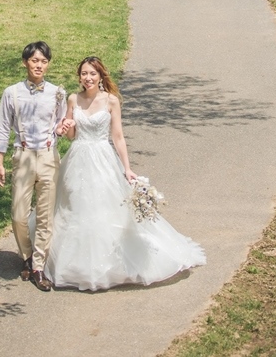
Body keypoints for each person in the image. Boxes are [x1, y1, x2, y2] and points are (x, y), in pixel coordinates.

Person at [45, 56, 206, 291]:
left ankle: (107, 265)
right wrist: (64, 128)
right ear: (79, 76)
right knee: (75, 206)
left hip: (102, 157)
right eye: (84, 74)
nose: (87, 78)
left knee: (102, 207)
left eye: (92, 73)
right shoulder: (73, 99)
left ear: (100, 76)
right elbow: (70, 135)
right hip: (78, 157)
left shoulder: (110, 101)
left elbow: (118, 136)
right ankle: (75, 265)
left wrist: (127, 168)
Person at [0, 41, 69, 291]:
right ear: (25, 62)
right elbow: (3, 127)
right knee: (18, 214)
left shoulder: (58, 93)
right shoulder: (11, 92)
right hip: (23, 155)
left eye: (44, 61)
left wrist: (62, 128)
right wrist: (0, 162)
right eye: (35, 60)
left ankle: (38, 266)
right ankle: (26, 254)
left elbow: (59, 124)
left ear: (48, 64)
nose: (39, 65)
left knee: (46, 215)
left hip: (48, 156)